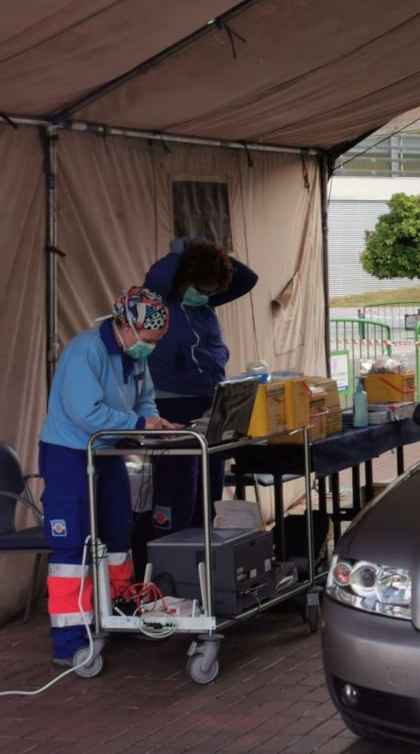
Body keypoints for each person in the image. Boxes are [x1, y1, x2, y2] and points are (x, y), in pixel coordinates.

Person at [39, 287, 180, 665]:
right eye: (149, 341)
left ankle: (120, 612)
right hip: (70, 453)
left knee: (118, 534)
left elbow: (145, 396)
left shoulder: (132, 356)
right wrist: (137, 422)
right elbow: (86, 411)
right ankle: (71, 639)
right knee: (75, 545)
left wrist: (152, 422)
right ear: (127, 326)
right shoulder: (87, 350)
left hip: (109, 450)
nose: (150, 349)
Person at [142, 238, 257, 538]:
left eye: (212, 291)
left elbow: (247, 279)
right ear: (184, 279)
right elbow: (157, 275)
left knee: (211, 479)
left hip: (210, 397)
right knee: (177, 484)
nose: (205, 296)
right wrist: (184, 250)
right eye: (201, 289)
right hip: (171, 400)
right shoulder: (161, 298)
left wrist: (210, 251)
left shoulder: (205, 305)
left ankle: (204, 550)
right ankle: (169, 556)